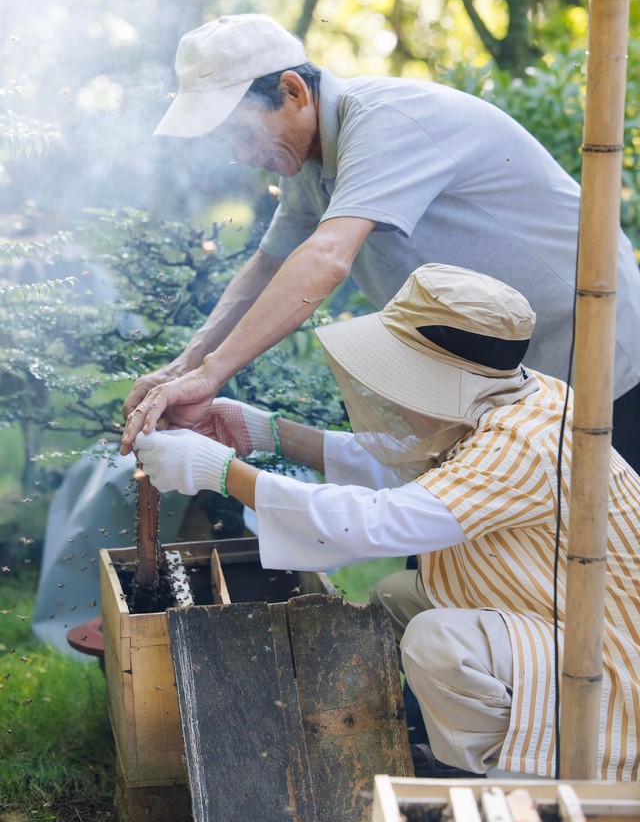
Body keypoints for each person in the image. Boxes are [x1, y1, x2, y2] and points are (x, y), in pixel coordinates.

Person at [133, 263, 640, 781]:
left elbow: (374, 524)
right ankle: (422, 740)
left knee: (436, 641)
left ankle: (515, 779)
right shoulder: (516, 396)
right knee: (399, 595)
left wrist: (218, 470)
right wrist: (264, 432)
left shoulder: (523, 445)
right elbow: (418, 475)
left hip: (606, 663)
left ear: (438, 380)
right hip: (550, 609)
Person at [120, 14, 640, 473]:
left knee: (596, 553)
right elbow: (267, 267)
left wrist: (211, 376)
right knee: (454, 557)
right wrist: (183, 367)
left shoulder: (384, 121)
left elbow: (326, 259)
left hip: (587, 348)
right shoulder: (308, 157)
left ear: (294, 91)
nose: (238, 154)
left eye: (241, 132)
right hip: (489, 372)